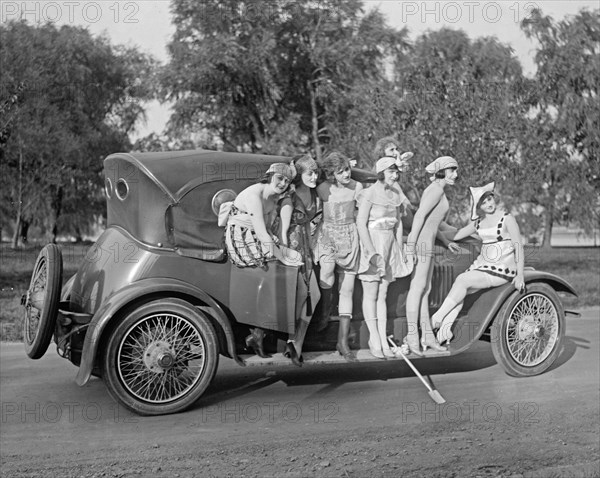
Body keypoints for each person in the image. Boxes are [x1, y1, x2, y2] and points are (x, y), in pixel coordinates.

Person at [431, 182, 525, 345]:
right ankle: (445, 331)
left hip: (502, 268)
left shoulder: (507, 218)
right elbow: (457, 235)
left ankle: (436, 318)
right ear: (478, 206)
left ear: (494, 199)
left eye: (490, 199)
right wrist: (435, 226)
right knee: (461, 290)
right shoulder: (478, 223)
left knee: (462, 280)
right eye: (484, 202)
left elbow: (519, 247)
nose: (488, 204)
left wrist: (520, 275)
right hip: (483, 266)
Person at [221, 162, 297, 357]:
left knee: (287, 267)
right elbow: (262, 233)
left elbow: (268, 231)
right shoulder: (255, 194)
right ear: (270, 176)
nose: (282, 184)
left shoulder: (273, 199)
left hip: (256, 236)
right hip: (240, 236)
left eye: (286, 181)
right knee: (277, 267)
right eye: (280, 178)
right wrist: (282, 257)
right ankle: (257, 334)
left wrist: (283, 249)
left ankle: (260, 334)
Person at [356, 155, 414, 359]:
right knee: (370, 293)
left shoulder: (395, 195)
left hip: (389, 244)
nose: (395, 175)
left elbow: (397, 224)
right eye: (391, 171)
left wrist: (398, 249)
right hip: (372, 243)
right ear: (381, 173)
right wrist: (371, 252)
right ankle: (375, 339)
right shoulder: (369, 193)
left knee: (382, 294)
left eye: (396, 171)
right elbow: (361, 224)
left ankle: (382, 338)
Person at [405, 156, 460, 355]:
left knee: (425, 290)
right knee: (418, 288)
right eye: (452, 170)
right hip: (422, 243)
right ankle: (412, 336)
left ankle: (427, 335)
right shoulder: (435, 190)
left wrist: (446, 241)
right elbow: (419, 216)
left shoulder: (438, 190)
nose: (455, 174)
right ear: (442, 171)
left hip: (426, 241)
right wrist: (411, 243)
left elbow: (431, 222)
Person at [313, 151, 363, 362]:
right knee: (326, 273)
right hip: (328, 235)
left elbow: (362, 214)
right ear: (332, 174)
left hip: (350, 235)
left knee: (347, 288)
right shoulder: (323, 189)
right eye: (340, 171)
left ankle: (342, 340)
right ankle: (324, 314)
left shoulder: (357, 188)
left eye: (347, 169)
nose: (346, 174)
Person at [278, 154, 322, 366]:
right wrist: (285, 255)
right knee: (302, 295)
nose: (314, 177)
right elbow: (283, 230)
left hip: (307, 248)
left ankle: (297, 344)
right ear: (300, 175)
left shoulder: (315, 196)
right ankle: (290, 340)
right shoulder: (290, 197)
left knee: (314, 295)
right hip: (292, 250)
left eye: (315, 173)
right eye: (309, 173)